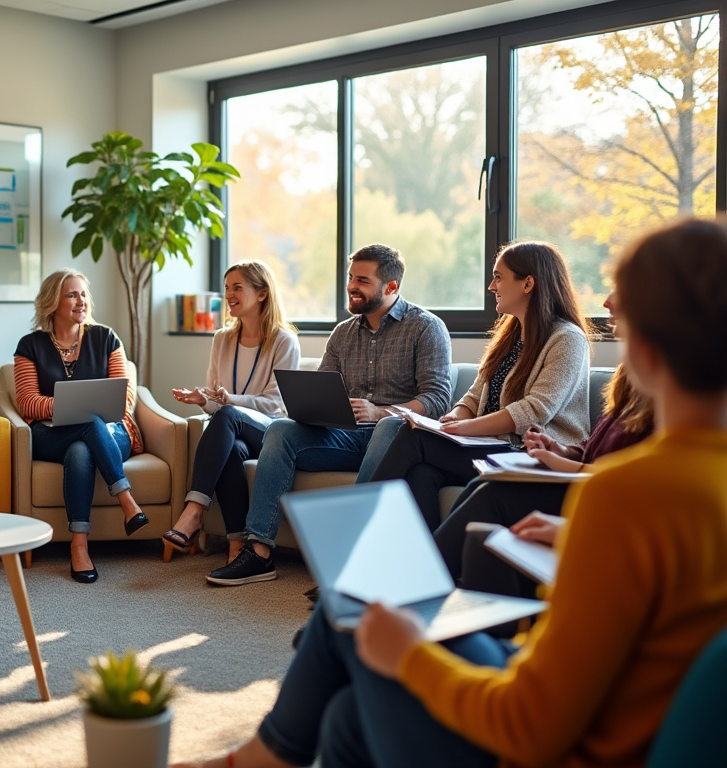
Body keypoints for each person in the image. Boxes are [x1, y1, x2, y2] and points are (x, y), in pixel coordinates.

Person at [175, 216, 727, 768]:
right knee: (346, 708)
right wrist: (574, 532)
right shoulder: (674, 486)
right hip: (578, 688)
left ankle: (271, 736)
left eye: (621, 307)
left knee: (367, 616)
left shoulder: (626, 494)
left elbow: (529, 726)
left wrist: (408, 654)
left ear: (650, 351)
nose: (606, 306)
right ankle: (362, 595)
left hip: (543, 740)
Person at [206, 244, 452, 587]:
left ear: (392, 287)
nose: (352, 286)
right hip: (346, 436)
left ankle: (351, 555)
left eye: (362, 280)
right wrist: (311, 408)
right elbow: (320, 387)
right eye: (351, 278)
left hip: (398, 437)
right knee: (280, 429)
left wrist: (381, 411)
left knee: (387, 425)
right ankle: (259, 551)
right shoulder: (343, 333)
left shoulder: (426, 328)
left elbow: (437, 398)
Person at [435, 295, 652, 600]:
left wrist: (568, 465)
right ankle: (448, 591)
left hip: (593, 492)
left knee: (492, 496)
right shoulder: (631, 373)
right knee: (474, 483)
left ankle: (425, 582)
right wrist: (561, 451)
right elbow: (596, 446)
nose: (607, 302)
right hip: (578, 478)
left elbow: (632, 480)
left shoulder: (673, 390)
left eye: (623, 290)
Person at [361, 242, 592, 528]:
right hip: (489, 447)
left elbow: (535, 411)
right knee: (422, 472)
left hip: (530, 454)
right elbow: (473, 397)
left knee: (414, 438)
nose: (491, 287)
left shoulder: (567, 339)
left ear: (528, 283)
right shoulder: (509, 337)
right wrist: (455, 418)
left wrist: (466, 429)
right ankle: (426, 564)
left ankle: (359, 528)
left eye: (498, 277)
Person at [13, 268, 148, 583]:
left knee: (80, 450)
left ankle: (79, 545)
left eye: (83, 294)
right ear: (52, 302)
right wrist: (68, 407)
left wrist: (85, 411)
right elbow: (27, 402)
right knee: (86, 421)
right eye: (71, 294)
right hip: (50, 433)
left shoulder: (105, 337)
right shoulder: (30, 345)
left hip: (111, 431)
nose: (81, 301)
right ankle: (127, 501)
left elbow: (124, 397)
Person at [164, 261, 300, 563]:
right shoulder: (222, 339)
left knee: (227, 416)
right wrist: (203, 400)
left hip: (271, 433)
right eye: (227, 288)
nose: (229, 294)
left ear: (262, 293)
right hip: (233, 431)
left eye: (237, 287)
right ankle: (237, 543)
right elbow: (218, 400)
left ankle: (194, 511)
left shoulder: (284, 341)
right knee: (232, 448)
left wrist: (229, 402)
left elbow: (277, 404)